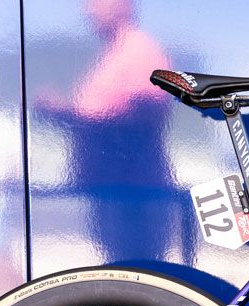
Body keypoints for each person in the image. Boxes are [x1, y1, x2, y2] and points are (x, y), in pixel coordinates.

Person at [36, 0, 174, 264]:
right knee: (121, 272)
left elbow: (148, 108)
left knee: (137, 273)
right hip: (113, 193)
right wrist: (68, 116)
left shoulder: (138, 49)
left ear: (124, 4)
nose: (89, 10)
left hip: (133, 197)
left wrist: (70, 114)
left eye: (97, 2)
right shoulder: (113, 54)